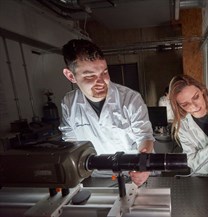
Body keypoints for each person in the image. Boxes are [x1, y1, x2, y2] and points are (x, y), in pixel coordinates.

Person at [59, 39, 154, 186]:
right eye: (90, 76)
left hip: (131, 173)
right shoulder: (69, 103)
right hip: (94, 176)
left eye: (104, 72)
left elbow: (145, 136)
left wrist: (143, 165)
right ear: (71, 76)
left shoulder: (130, 98)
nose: (102, 82)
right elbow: (71, 143)